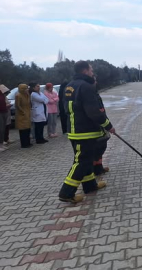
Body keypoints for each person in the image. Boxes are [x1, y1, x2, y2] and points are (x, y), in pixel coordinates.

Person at [58, 60, 115, 203]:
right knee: (81, 162)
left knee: (87, 160)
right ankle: (66, 192)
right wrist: (108, 125)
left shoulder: (70, 86)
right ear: (84, 71)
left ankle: (90, 185)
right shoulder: (86, 86)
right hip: (85, 131)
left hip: (75, 129)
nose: (92, 72)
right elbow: (94, 112)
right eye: (90, 69)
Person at [93, 76, 110, 177]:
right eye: (94, 80)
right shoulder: (89, 93)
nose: (96, 82)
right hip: (95, 125)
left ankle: (99, 167)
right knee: (96, 149)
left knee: (102, 147)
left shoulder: (95, 92)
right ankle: (95, 169)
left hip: (101, 124)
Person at [15, 84, 32, 148]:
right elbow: (17, 105)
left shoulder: (27, 95)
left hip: (27, 113)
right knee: (23, 130)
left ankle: (28, 142)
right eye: (26, 88)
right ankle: (24, 144)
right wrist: (23, 112)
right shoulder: (18, 96)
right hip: (22, 114)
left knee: (28, 129)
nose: (27, 89)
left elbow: (29, 103)